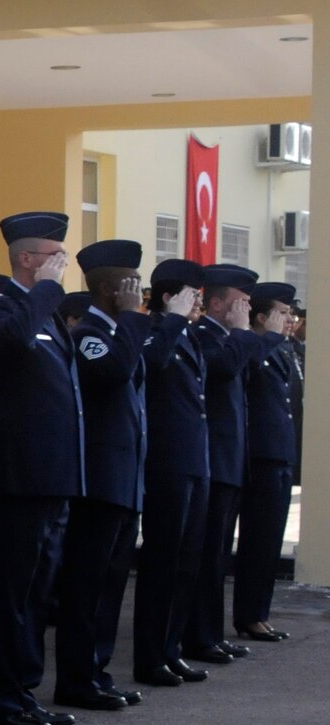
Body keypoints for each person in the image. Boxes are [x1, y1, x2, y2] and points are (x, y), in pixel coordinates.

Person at [0, 212, 84, 725]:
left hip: (52, 477)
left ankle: (24, 691)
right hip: (17, 476)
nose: (62, 264)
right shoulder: (2, 303)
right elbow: (5, 347)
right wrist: (46, 293)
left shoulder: (45, 311)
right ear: (26, 259)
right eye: (54, 255)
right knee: (8, 593)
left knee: (37, 593)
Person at [53, 239, 148, 704]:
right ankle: (75, 679)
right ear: (110, 288)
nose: (139, 292)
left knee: (111, 585)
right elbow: (114, 371)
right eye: (132, 284)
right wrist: (131, 318)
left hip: (123, 480)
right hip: (98, 481)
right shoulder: (90, 333)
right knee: (86, 587)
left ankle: (96, 671)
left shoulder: (117, 330)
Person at [131, 258, 212, 684]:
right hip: (166, 460)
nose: (199, 303)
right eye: (192, 296)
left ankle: (171, 646)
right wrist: (173, 322)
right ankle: (150, 656)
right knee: (162, 561)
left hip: (194, 461)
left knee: (186, 562)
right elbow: (152, 365)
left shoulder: (189, 336)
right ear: (168, 297)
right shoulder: (155, 330)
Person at [184, 264, 260, 663]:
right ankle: (199, 635)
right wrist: (245, 332)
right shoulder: (203, 336)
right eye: (240, 303)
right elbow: (225, 367)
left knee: (217, 555)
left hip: (228, 461)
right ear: (216, 304)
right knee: (205, 553)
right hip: (211, 460)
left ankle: (210, 633)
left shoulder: (228, 338)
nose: (247, 310)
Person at [234, 282, 300, 642]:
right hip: (258, 456)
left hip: (278, 454)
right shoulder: (257, 347)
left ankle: (259, 612)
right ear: (261, 317)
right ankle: (249, 615)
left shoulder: (283, 350)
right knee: (257, 541)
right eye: (283, 312)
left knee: (270, 540)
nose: (290, 319)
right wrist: (270, 339)